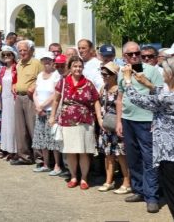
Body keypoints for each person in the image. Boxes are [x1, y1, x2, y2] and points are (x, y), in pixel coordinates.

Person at [122, 56, 174, 222]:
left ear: (170, 75)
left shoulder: (168, 99)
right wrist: (148, 84)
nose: (162, 72)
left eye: (164, 70)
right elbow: (164, 95)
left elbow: (137, 99)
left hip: (172, 158)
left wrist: (127, 80)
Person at [117, 41, 164, 213]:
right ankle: (139, 190)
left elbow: (160, 95)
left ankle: (152, 196)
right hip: (128, 119)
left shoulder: (152, 71)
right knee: (133, 157)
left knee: (149, 159)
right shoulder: (122, 73)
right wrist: (118, 121)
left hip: (147, 120)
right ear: (124, 57)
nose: (136, 56)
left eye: (137, 53)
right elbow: (120, 97)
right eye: (131, 54)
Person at [49, 56, 101, 190]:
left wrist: (99, 118)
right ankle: (73, 176)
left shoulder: (88, 83)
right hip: (67, 121)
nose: (77, 69)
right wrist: (53, 116)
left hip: (85, 121)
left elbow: (95, 100)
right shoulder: (63, 82)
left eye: (80, 66)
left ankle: (84, 178)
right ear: (70, 68)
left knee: (84, 151)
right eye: (75, 66)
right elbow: (56, 100)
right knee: (70, 151)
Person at [97, 62, 131, 193]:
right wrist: (100, 119)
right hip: (106, 126)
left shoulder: (120, 89)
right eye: (102, 74)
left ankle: (127, 182)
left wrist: (119, 122)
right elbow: (99, 104)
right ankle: (108, 181)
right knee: (108, 155)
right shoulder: (103, 88)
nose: (103, 76)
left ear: (114, 75)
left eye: (106, 74)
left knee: (121, 155)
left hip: (118, 126)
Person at [12, 40, 44, 166]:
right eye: (20, 50)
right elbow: (18, 79)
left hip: (31, 98)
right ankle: (24, 156)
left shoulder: (37, 63)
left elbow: (43, 78)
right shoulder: (19, 64)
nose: (22, 53)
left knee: (33, 127)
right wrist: (15, 84)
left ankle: (39, 157)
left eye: (25, 50)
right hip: (19, 97)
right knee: (20, 128)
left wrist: (35, 85)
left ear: (31, 51)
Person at [31, 52, 62, 174]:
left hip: (51, 111)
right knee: (42, 138)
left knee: (53, 139)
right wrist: (38, 106)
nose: (47, 62)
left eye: (49, 59)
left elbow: (56, 93)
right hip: (40, 111)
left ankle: (57, 166)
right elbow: (35, 92)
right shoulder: (39, 75)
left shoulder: (56, 75)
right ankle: (45, 164)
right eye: (44, 60)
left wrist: (43, 106)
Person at [0, 46, 18, 160]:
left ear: (13, 56)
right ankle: (7, 148)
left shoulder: (17, 68)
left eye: (8, 55)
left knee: (13, 124)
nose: (6, 57)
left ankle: (15, 150)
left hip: (13, 98)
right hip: (4, 98)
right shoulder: (2, 70)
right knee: (6, 124)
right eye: (4, 55)